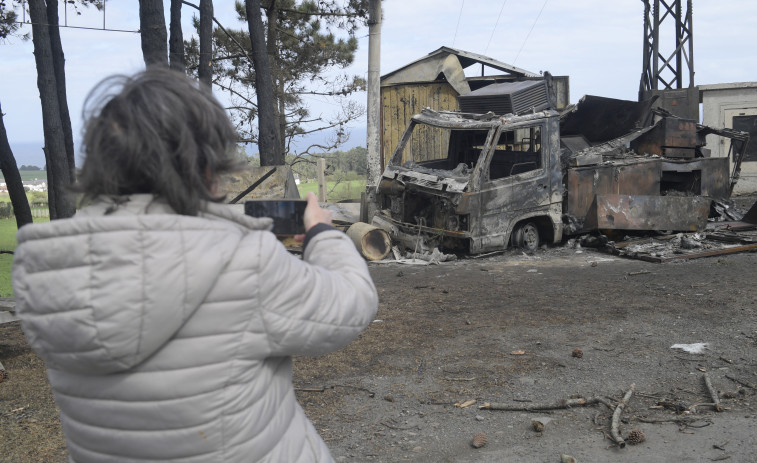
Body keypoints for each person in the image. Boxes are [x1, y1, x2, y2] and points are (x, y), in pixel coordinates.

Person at [11, 68, 378, 462]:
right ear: (204, 167)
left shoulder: (49, 272)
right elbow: (351, 304)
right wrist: (322, 235)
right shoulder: (243, 262)